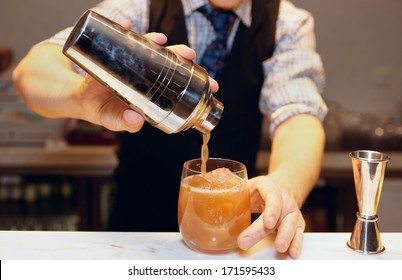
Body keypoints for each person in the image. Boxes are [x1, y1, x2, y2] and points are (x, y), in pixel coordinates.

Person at [12, 0, 327, 259]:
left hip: (230, 245)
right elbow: (31, 73)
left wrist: (285, 183)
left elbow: (298, 115)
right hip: (135, 239)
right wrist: (79, 96)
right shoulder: (139, 7)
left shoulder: (287, 23)